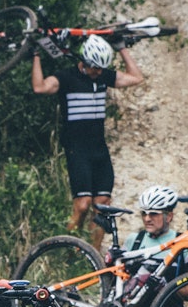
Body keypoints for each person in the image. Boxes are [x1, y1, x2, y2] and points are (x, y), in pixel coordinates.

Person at [32, 33, 145, 243]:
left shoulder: (102, 76)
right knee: (82, 205)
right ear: (84, 62)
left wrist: (121, 48)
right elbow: (40, 87)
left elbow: (136, 78)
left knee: (102, 204)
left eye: (101, 69)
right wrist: (36, 54)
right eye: (95, 68)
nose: (98, 72)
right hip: (77, 150)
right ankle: (68, 250)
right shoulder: (66, 77)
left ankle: (93, 256)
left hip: (99, 149)